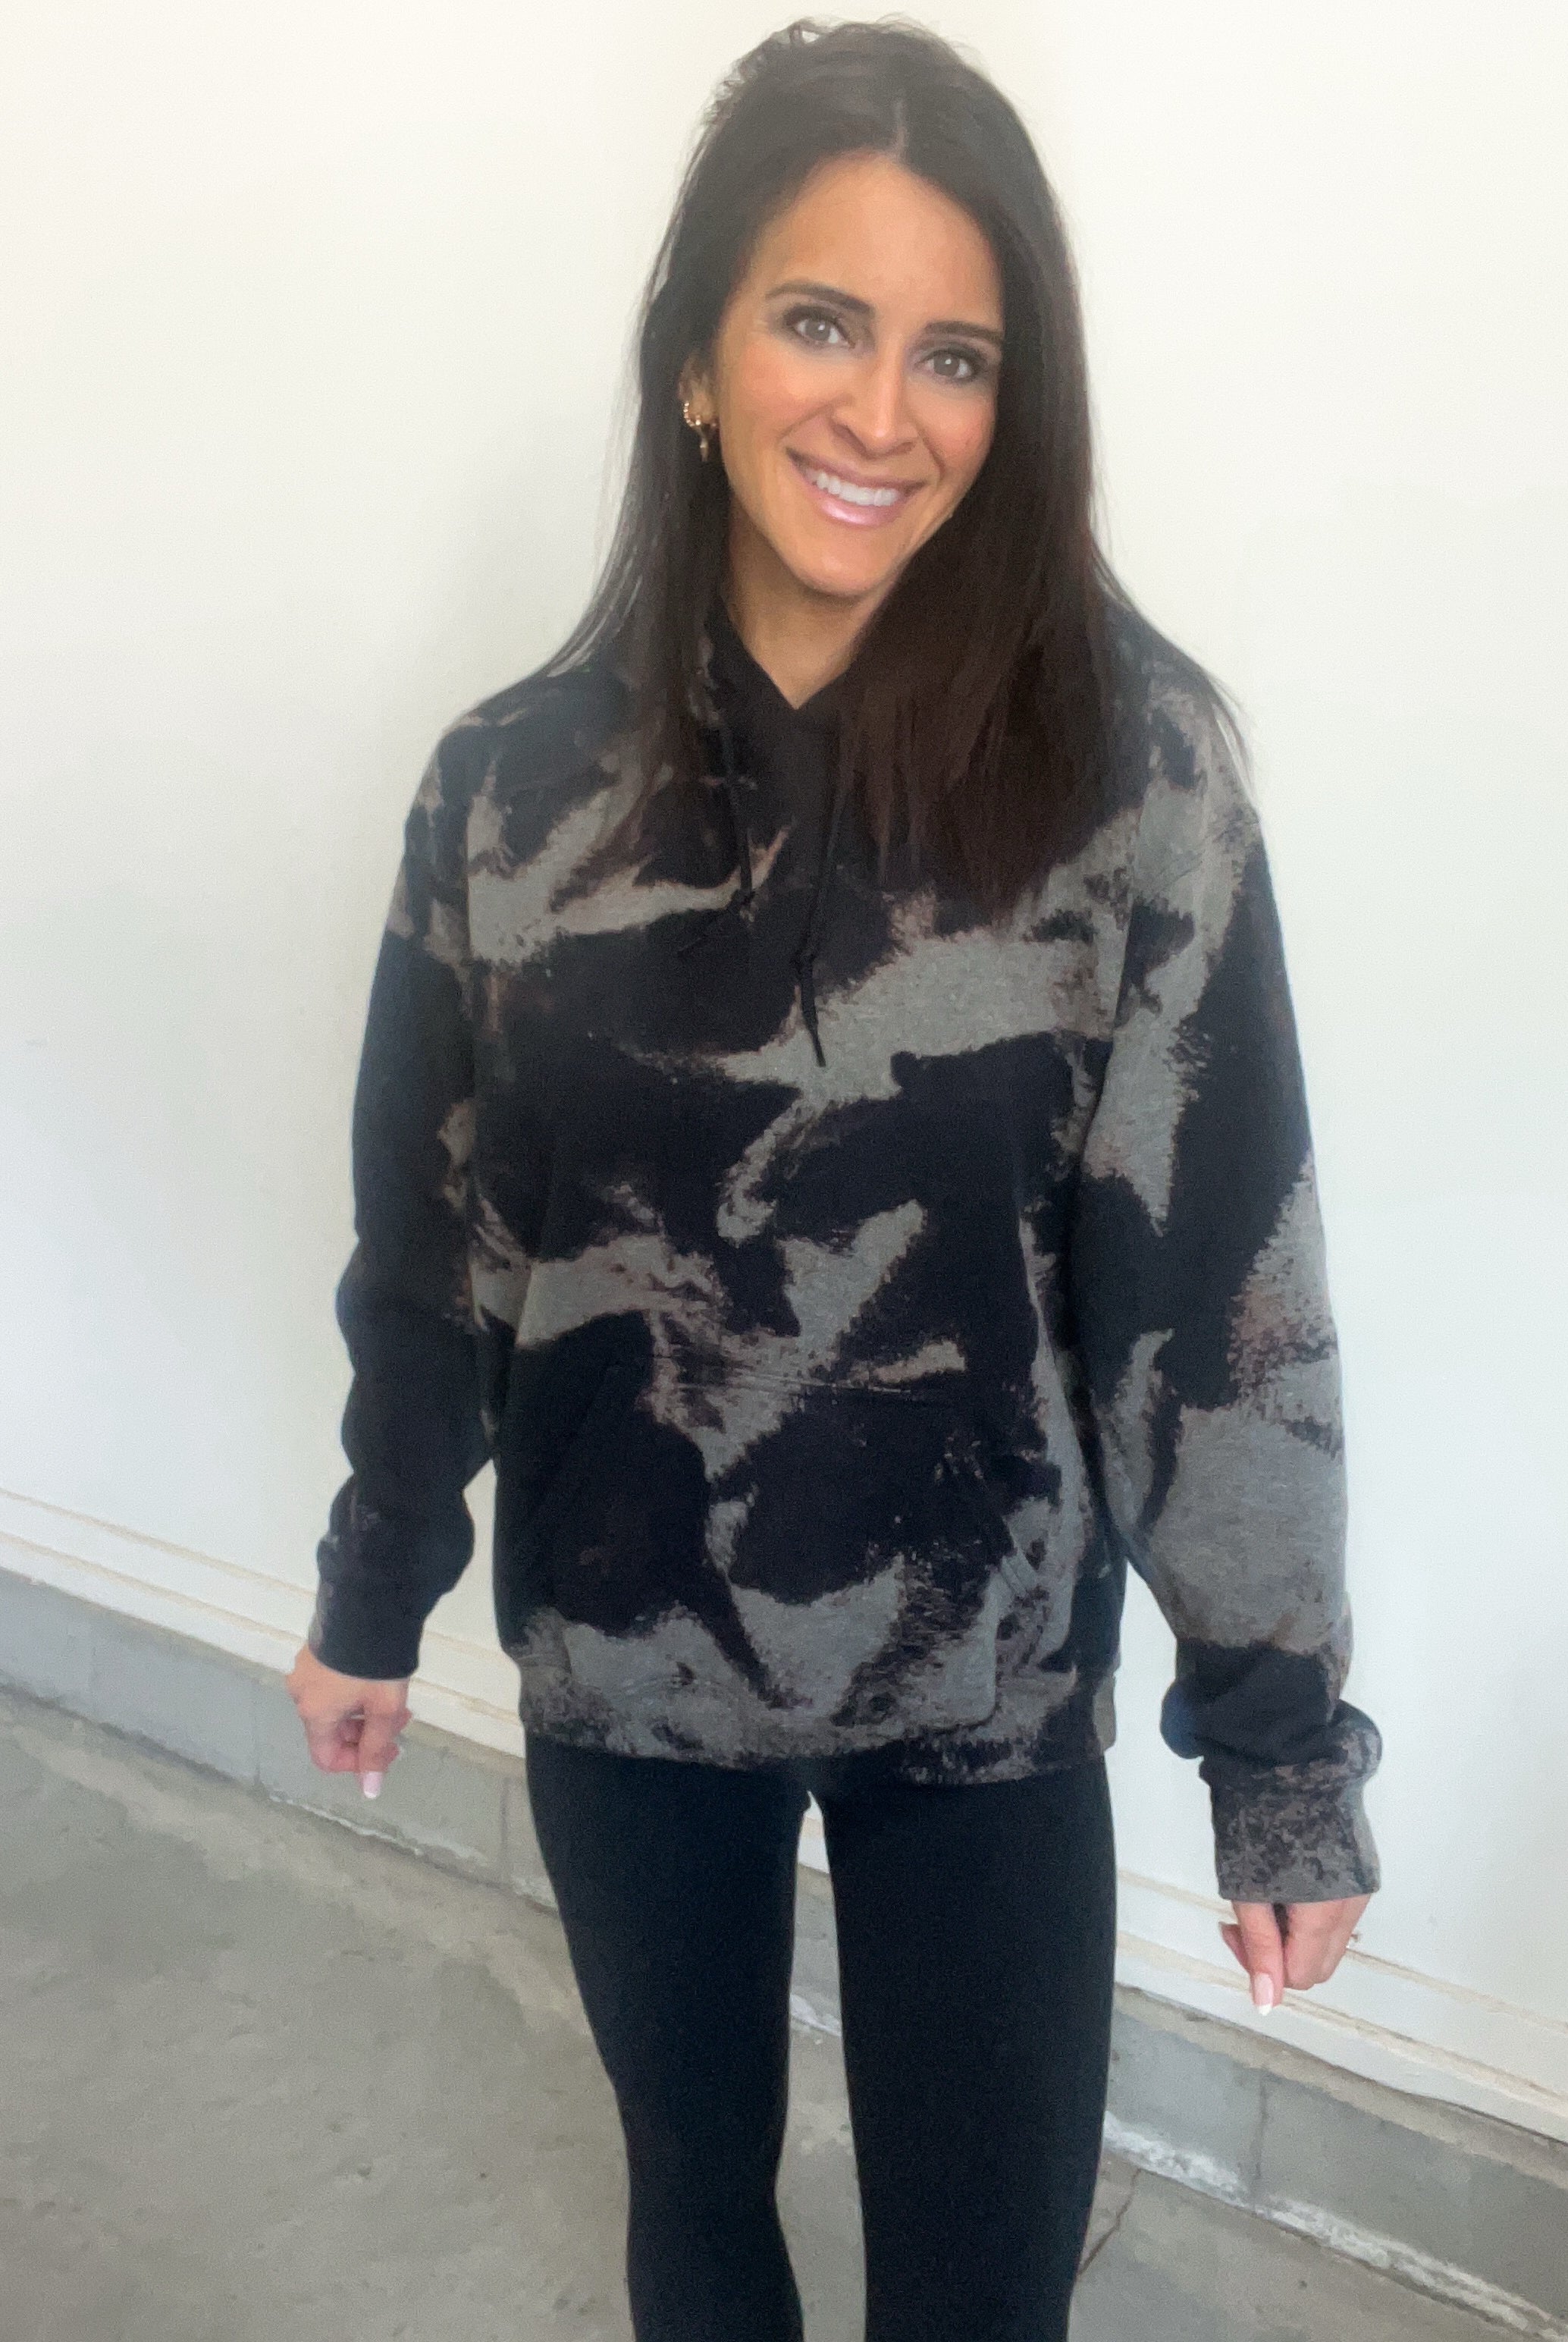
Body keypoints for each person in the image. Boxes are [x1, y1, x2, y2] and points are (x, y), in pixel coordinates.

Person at [285, 19, 1381, 2339]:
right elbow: (435, 1241)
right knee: (698, 2217)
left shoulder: (1134, 787)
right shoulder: (505, 798)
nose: (883, 412)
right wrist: (378, 1578)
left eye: (952, 355)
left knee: (979, 2294)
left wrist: (1276, 1751)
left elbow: (1214, 1286)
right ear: (697, 359)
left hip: (979, 1698)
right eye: (818, 320)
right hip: (628, 1674)